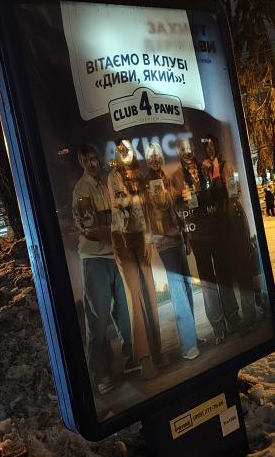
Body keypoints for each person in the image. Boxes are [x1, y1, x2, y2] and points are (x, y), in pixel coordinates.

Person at [72, 144, 132, 395]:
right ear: (82, 162)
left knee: (125, 310)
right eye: (87, 160)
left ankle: (131, 357)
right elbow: (88, 225)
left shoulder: (109, 181)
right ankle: (102, 372)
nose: (93, 164)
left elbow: (123, 209)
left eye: (95, 159)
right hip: (94, 258)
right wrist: (113, 227)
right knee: (97, 318)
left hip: (115, 254)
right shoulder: (81, 189)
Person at [171, 136, 243, 345]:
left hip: (216, 229)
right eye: (182, 149)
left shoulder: (206, 167)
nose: (187, 152)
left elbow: (221, 192)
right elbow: (176, 208)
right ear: (178, 152)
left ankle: (233, 318)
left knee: (224, 275)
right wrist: (184, 201)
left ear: (194, 148)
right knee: (208, 282)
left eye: (189, 148)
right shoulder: (176, 177)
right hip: (198, 235)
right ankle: (218, 327)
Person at [108, 139, 165, 379]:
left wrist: (148, 237)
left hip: (141, 236)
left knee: (149, 290)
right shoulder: (114, 176)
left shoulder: (139, 175)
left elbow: (146, 208)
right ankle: (143, 357)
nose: (125, 153)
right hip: (123, 238)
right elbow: (123, 206)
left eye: (128, 149)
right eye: (121, 150)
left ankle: (157, 351)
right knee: (134, 294)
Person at [144, 142, 200, 360]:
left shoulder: (165, 178)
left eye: (157, 155)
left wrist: (186, 237)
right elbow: (162, 204)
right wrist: (177, 194)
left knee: (186, 287)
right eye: (151, 157)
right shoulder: (149, 182)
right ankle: (188, 344)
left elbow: (177, 210)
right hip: (165, 241)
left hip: (177, 237)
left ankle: (192, 336)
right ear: (147, 160)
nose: (155, 160)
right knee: (178, 292)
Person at [201, 134, 257, 335]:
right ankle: (234, 319)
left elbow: (234, 191)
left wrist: (220, 192)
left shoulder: (226, 166)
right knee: (224, 273)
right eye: (206, 147)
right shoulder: (204, 171)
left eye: (212, 145)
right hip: (219, 226)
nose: (209, 149)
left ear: (217, 146)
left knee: (242, 270)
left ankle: (250, 317)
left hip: (234, 221)